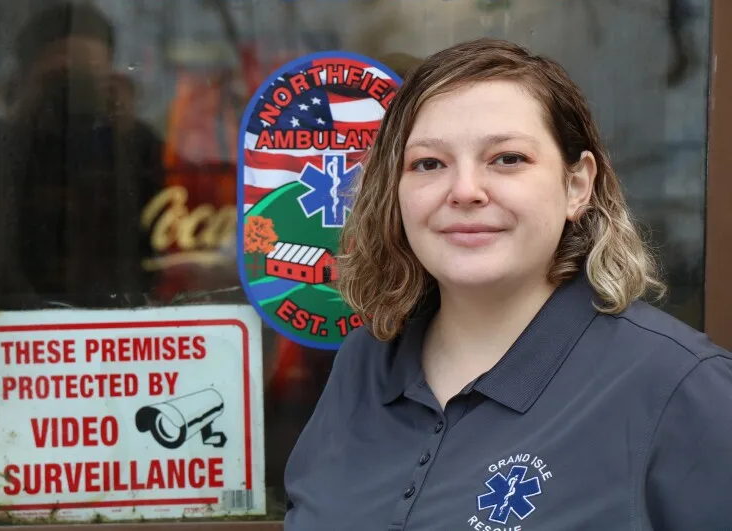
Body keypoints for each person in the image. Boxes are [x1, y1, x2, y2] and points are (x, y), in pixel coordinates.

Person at [283, 39, 732, 530]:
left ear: (577, 184)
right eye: (429, 164)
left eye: (508, 158)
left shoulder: (682, 387)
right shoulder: (364, 363)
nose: (465, 191)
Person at [0, 3, 165, 309]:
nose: (69, 94)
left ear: (110, 76)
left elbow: (159, 243)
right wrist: (23, 115)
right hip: (19, 317)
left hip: (123, 317)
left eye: (84, 78)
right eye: (58, 79)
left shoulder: (137, 145)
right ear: (25, 78)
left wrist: (123, 129)